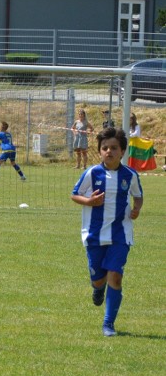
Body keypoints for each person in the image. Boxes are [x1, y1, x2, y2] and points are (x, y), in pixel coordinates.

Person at [70, 127, 143, 337]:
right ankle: (97, 288)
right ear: (100, 151)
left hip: (121, 233)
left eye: (113, 148)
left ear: (122, 151)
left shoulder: (130, 175)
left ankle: (108, 324)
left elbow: (138, 196)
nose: (108, 151)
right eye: (104, 148)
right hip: (94, 234)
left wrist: (137, 208)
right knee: (98, 279)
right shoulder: (92, 173)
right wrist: (89, 201)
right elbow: (75, 195)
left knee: (116, 277)